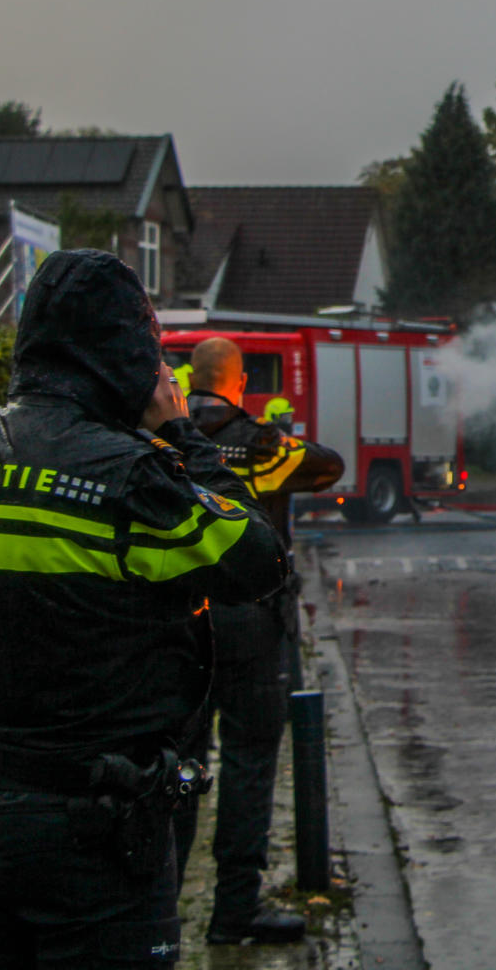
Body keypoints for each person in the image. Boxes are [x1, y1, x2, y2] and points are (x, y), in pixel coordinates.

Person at [0, 249, 288, 967]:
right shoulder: (131, 479)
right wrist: (181, 437)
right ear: (127, 352)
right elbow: (256, 559)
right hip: (101, 828)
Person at [172, 336, 343, 945]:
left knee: (181, 765)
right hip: (249, 627)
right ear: (239, 382)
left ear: (191, 379)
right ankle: (233, 913)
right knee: (248, 763)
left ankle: (159, 915)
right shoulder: (260, 444)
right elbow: (328, 465)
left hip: (180, 630)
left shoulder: (161, 436)